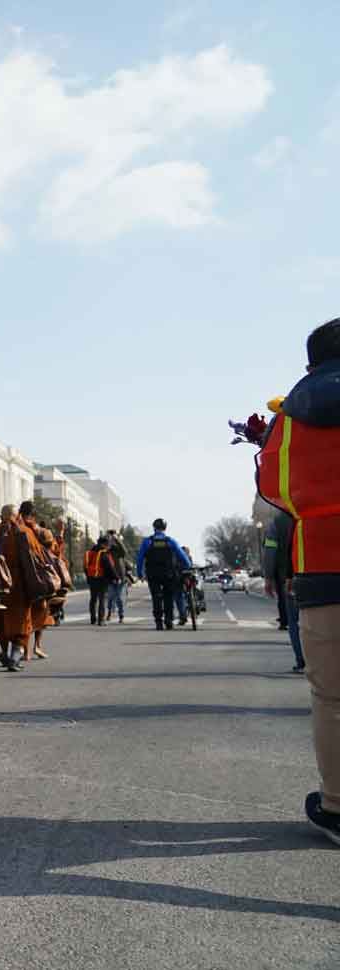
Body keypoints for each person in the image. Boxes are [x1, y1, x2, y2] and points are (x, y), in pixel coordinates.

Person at [257, 317, 340, 845]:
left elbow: (278, 490)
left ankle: (336, 806)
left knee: (332, 697)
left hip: (326, 566)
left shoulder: (293, 418)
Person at [0, 504, 46, 671]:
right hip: (19, 585)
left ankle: (4, 653)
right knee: (21, 620)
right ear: (17, 517)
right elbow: (38, 556)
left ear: (1, 516)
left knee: (0, 620)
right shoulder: (24, 533)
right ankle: (15, 655)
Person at [264, 511, 305, 672]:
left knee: (294, 621)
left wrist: (268, 577)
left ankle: (302, 661)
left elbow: (270, 551)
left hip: (289, 578)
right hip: (321, 574)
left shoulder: (278, 521)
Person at [136, 518, 192, 630]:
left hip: (153, 574)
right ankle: (168, 620)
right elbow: (182, 557)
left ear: (154, 528)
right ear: (165, 528)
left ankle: (158, 622)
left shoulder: (147, 542)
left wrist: (140, 573)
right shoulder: (170, 541)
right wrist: (188, 566)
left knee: (156, 598)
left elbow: (140, 558)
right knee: (168, 597)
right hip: (169, 574)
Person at [23, 503, 57, 661]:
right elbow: (52, 549)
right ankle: (36, 646)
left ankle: (25, 650)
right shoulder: (41, 531)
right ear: (34, 515)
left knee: (24, 614)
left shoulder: (16, 528)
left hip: (21, 577)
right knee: (41, 612)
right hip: (38, 576)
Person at [84, 536, 113, 626]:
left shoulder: (89, 553)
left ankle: (93, 619)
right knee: (102, 599)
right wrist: (115, 577)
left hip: (91, 578)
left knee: (93, 598)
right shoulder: (104, 553)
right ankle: (101, 620)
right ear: (104, 544)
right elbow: (109, 567)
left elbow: (85, 567)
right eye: (107, 544)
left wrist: (89, 576)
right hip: (102, 579)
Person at [105, 530, 130, 622]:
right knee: (110, 597)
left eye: (112, 538)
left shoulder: (119, 551)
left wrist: (117, 539)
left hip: (120, 577)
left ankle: (121, 615)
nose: (111, 540)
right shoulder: (107, 551)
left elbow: (124, 551)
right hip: (111, 578)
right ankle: (109, 613)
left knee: (119, 598)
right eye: (110, 538)